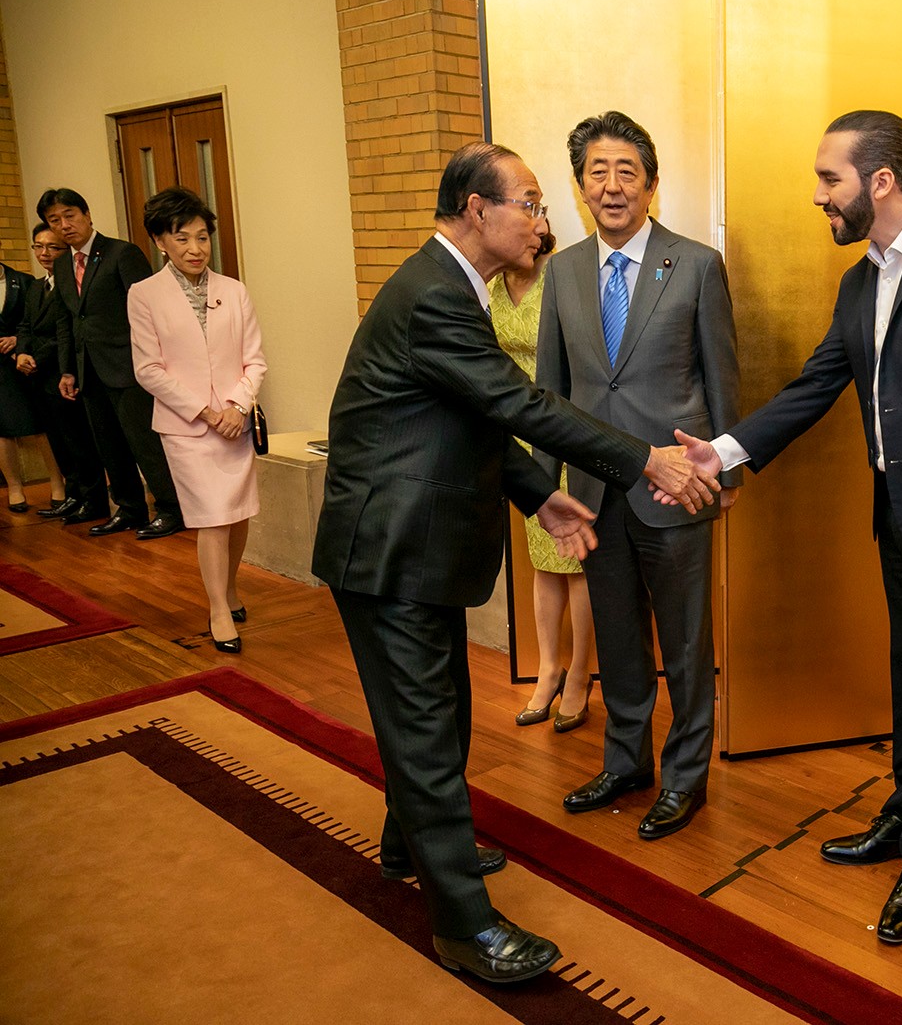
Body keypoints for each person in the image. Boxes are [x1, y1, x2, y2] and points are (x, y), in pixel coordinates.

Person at [311, 141, 718, 985]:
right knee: (428, 730)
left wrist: (539, 496)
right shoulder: (436, 294)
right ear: (476, 210)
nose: (541, 220)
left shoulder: (452, 286)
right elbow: (518, 401)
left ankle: (408, 845)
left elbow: (477, 416)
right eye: (529, 204)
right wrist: (644, 459)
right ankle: (464, 927)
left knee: (438, 717)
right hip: (390, 549)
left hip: (413, 545)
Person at [670, 110, 902, 942]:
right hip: (897, 520)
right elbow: (814, 385)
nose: (819, 196)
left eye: (830, 179)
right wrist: (723, 452)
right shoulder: (859, 281)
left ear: (881, 181)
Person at [540, 111, 741, 841]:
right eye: (597, 171)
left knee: (685, 646)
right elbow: (548, 392)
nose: (612, 185)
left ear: (652, 185)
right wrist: (545, 488)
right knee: (620, 639)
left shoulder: (696, 265)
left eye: (627, 171)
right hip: (594, 491)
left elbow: (722, 377)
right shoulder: (563, 271)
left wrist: (727, 474)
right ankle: (627, 762)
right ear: (580, 186)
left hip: (676, 487)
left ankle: (685, 777)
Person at [127, 187, 267, 653]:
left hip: (234, 422)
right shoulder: (144, 294)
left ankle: (230, 587)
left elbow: (255, 361)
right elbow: (148, 369)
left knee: (237, 513)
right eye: (182, 238)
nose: (195, 248)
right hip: (186, 427)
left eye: (202, 237)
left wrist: (236, 407)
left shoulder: (234, 290)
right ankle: (218, 609)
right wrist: (206, 411)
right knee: (212, 517)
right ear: (160, 241)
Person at [485, 212, 598, 733]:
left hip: (564, 426)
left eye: (537, 213)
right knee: (542, 561)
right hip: (517, 436)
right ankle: (548, 668)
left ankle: (580, 673)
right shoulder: (489, 285)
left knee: (576, 562)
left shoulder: (562, 275)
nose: (533, 226)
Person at [41, 187, 184, 539]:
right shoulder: (62, 264)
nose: (64, 225)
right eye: (54, 220)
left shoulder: (122, 253)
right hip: (89, 369)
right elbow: (66, 320)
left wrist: (152, 362)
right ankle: (130, 508)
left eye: (70, 215)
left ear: (87, 215)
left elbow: (149, 311)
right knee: (110, 445)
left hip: (130, 367)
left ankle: (172, 508)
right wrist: (68, 369)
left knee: (144, 443)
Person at [13, 224, 107, 521]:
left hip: (64, 373)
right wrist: (22, 351)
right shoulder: (36, 286)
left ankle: (93, 500)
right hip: (38, 377)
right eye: (39, 246)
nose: (45, 253)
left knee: (78, 441)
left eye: (53, 247)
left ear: (67, 250)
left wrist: (35, 357)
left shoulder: (72, 285)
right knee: (59, 442)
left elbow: (66, 332)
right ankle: (73, 495)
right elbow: (25, 325)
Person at [1, 257, 63, 512]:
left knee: (42, 423)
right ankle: (15, 488)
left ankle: (58, 483)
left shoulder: (23, 281)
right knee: (3, 428)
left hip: (28, 359)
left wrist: (17, 340)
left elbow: (31, 322)